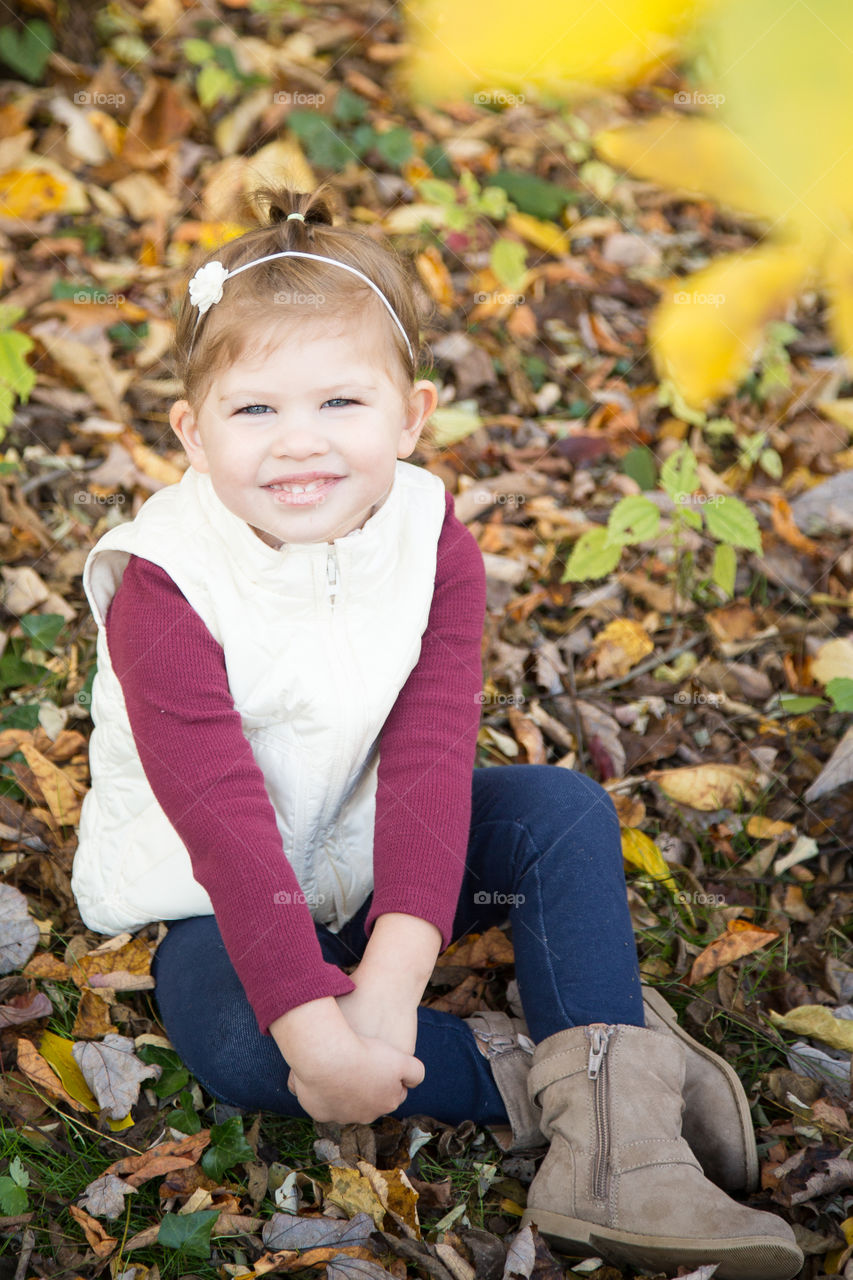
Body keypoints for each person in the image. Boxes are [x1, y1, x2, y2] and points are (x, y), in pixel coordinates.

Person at [72, 186, 801, 1280]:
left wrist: (392, 978)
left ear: (410, 416)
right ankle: (571, 1072)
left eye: (340, 403)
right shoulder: (162, 583)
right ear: (191, 429)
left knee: (559, 811)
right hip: (217, 894)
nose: (299, 444)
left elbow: (424, 758)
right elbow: (220, 819)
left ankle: (618, 1148)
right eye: (254, 411)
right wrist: (326, 1035)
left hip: (372, 850)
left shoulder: (429, 536)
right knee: (236, 1041)